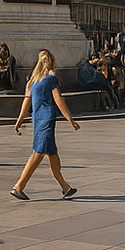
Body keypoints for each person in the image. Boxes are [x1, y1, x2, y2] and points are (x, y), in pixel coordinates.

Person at [9, 49, 82, 200]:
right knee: (38, 152)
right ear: (51, 61)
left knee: (52, 153)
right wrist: (70, 119)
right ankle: (19, 186)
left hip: (37, 119)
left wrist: (19, 119)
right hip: (47, 119)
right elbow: (58, 100)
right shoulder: (51, 77)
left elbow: (26, 101)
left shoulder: (32, 81)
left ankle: (65, 187)